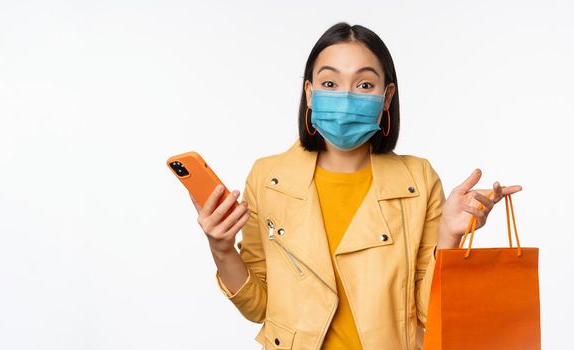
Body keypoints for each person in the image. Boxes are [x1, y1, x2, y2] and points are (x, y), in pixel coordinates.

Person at [189, 22, 522, 350]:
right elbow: (258, 307)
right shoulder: (268, 178)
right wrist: (221, 249)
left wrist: (449, 236)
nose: (345, 97)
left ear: (386, 96)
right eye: (330, 82)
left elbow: (427, 313)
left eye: (364, 85)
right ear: (309, 93)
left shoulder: (418, 180)